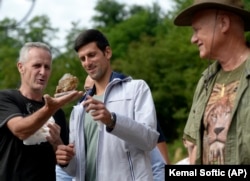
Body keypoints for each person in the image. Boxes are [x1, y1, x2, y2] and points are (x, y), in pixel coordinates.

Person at [56, 29, 159, 181]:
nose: (87, 63)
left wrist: (112, 121)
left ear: (107, 53)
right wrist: (65, 160)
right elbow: (76, 170)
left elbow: (150, 140)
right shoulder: (79, 109)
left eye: (91, 55)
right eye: (82, 59)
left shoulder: (136, 88)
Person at [174, 0, 250, 164]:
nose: (193, 39)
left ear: (223, 23)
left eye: (197, 30)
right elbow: (192, 147)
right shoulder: (205, 80)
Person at [0, 42, 83, 181]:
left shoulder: (57, 112)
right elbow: (20, 131)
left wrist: (59, 145)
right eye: (37, 66)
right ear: (21, 67)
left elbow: (64, 161)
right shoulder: (6, 99)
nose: (43, 72)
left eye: (47, 67)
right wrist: (50, 109)